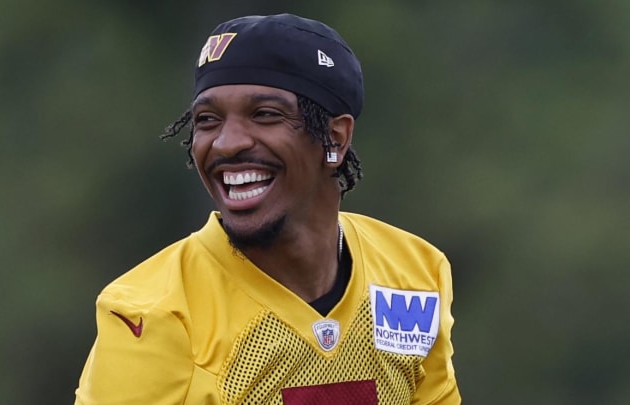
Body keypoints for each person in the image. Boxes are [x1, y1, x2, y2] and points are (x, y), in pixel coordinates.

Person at [75, 13, 461, 404]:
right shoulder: (152, 311)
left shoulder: (414, 275)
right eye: (207, 120)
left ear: (336, 136)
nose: (226, 143)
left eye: (265, 115)